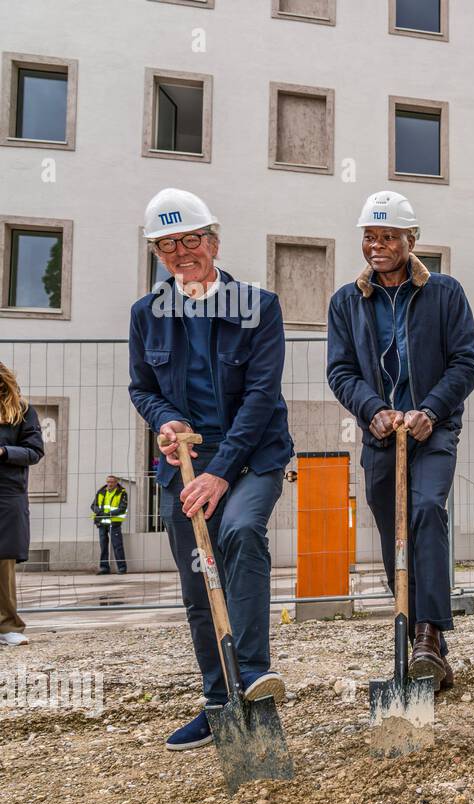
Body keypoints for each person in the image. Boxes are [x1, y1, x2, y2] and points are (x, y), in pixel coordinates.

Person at [128, 188, 295, 752]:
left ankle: (252, 680)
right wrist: (167, 419)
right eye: (166, 244)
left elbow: (259, 397)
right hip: (185, 463)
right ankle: (219, 699)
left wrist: (221, 471)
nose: (180, 252)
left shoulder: (258, 307)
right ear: (158, 252)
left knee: (241, 531)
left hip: (252, 457)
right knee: (200, 579)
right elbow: (142, 388)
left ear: (213, 242)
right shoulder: (146, 314)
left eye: (190, 240)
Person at [327, 191, 474, 691]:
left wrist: (431, 410)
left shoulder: (444, 293)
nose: (377, 245)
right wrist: (373, 411)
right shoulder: (347, 302)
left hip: (432, 431)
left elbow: (466, 362)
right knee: (395, 529)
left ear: (411, 240)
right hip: (381, 437)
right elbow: (341, 371)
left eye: (388, 236)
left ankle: (428, 635)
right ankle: (413, 634)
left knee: (426, 510)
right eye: (370, 236)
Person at [0, 362, 44, 647]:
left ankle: (8, 626)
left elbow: (35, 450)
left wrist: (4, 451)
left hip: (6, 494)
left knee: (2, 562)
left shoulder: (22, 411)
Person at [91, 475, 129, 574]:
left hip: (114, 523)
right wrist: (99, 512)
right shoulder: (101, 492)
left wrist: (109, 514)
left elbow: (122, 508)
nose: (109, 484)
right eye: (108, 482)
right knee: (103, 546)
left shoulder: (122, 493)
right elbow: (93, 506)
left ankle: (122, 568)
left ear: (116, 483)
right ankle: (104, 568)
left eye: (112, 482)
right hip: (102, 523)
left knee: (117, 546)